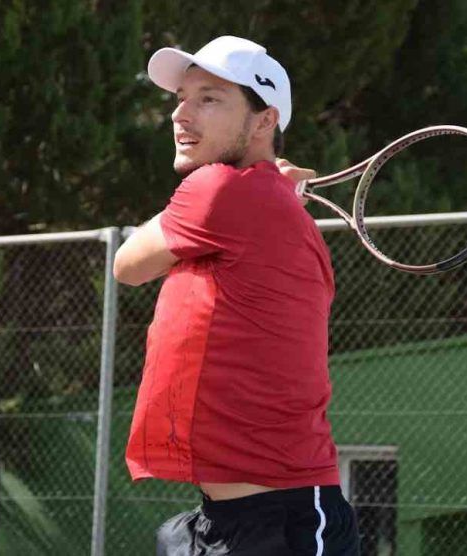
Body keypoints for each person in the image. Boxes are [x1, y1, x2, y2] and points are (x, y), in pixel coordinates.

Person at [114, 35, 360, 556]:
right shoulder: (257, 198)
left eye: (209, 98)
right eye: (180, 97)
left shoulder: (222, 190)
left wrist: (260, 182)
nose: (181, 114)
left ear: (264, 120)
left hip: (283, 523)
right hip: (230, 519)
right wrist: (268, 181)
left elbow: (128, 265)